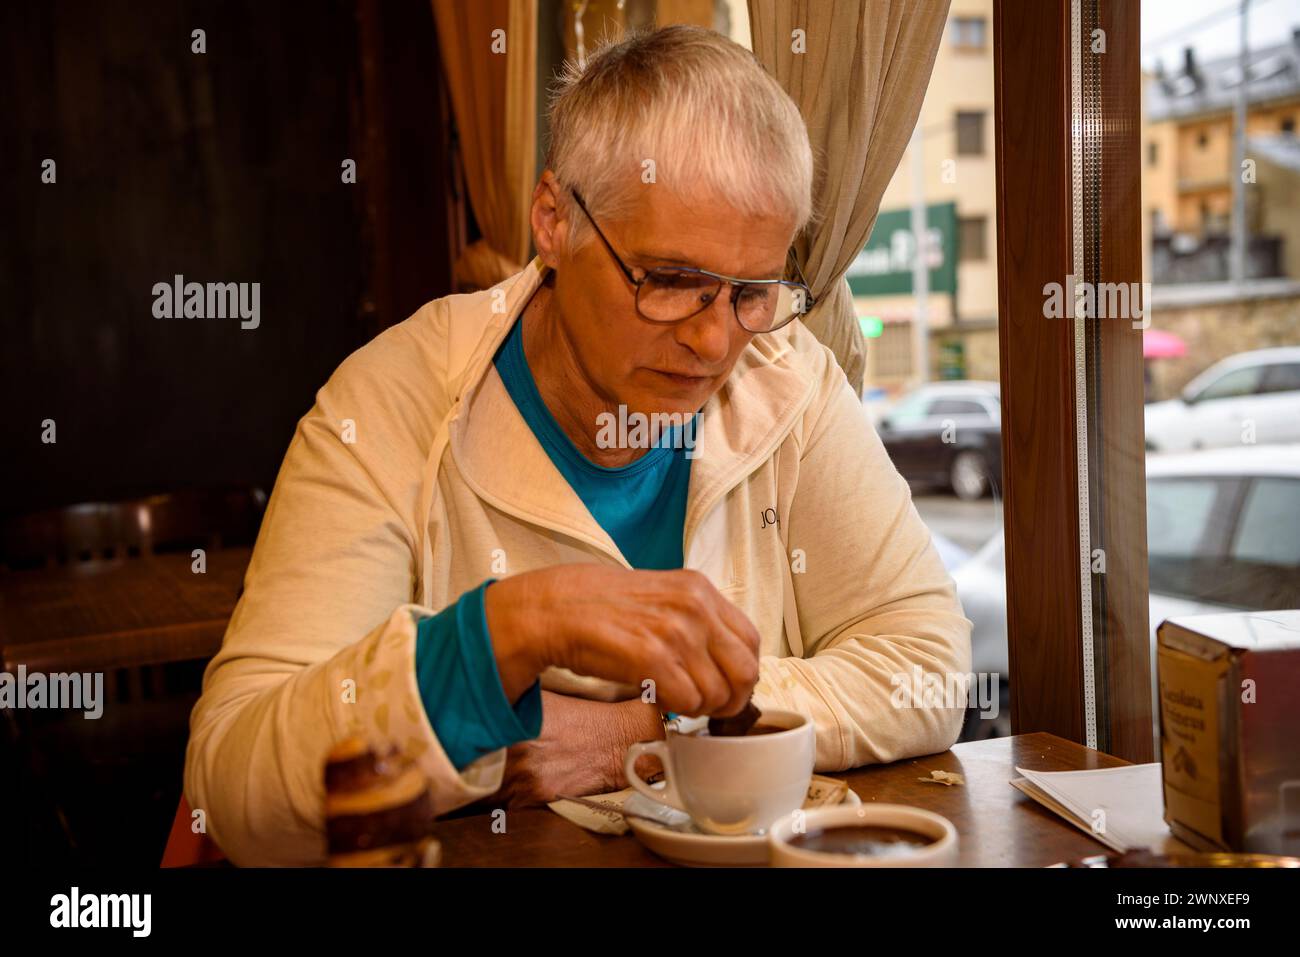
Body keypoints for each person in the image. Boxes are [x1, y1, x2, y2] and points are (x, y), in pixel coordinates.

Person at [185, 24, 971, 866]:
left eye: (750, 291)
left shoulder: (789, 375)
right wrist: (510, 629)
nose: (714, 342)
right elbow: (234, 784)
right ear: (554, 221)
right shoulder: (392, 401)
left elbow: (927, 665)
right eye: (670, 281)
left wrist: (639, 729)